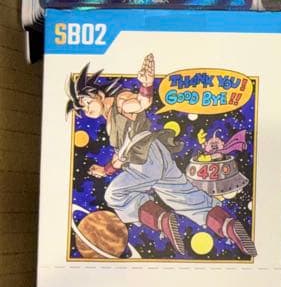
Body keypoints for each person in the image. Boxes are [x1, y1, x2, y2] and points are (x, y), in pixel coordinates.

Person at [67, 54, 256, 257]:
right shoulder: (110, 120)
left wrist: (146, 85)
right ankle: (229, 226)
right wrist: (105, 170)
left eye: (87, 102)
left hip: (145, 160)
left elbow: (140, 103)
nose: (87, 110)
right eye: (82, 109)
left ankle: (161, 220)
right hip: (157, 155)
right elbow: (120, 158)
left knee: (115, 194)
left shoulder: (120, 102)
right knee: (185, 197)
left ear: (98, 94)